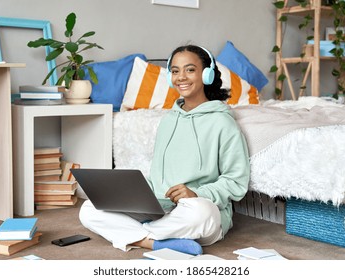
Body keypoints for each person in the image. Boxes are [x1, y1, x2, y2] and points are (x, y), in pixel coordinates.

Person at [79, 45, 250, 256]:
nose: (181, 77)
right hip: (160, 211)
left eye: (189, 69)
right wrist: (139, 195)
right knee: (88, 209)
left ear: (206, 74)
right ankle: (155, 242)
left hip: (196, 211)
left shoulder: (223, 122)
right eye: (175, 71)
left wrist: (197, 193)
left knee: (202, 212)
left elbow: (236, 181)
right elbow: (159, 173)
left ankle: (137, 236)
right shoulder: (168, 120)